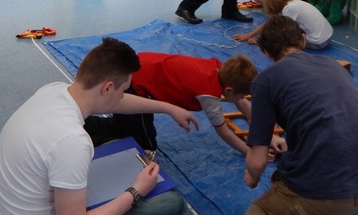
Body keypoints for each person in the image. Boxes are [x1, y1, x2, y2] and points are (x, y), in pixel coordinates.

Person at [0, 37, 201, 215]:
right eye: (122, 90)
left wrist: (169, 108)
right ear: (108, 88)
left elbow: (116, 102)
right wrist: (136, 191)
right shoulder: (73, 141)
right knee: (172, 203)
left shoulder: (55, 90)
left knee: (109, 158)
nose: (123, 95)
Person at [240, 16, 358, 215]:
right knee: (329, 165)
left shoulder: (265, 81)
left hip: (322, 198)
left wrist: (252, 178)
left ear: (266, 52)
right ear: (303, 39)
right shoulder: (334, 66)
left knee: (261, 209)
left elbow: (256, 162)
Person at [84, 52, 258, 156]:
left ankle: (85, 123)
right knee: (147, 148)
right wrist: (248, 151)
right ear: (228, 91)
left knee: (123, 126)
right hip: (134, 84)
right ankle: (87, 136)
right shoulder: (209, 94)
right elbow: (224, 132)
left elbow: (241, 100)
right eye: (241, 95)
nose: (241, 99)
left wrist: (264, 132)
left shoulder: (220, 68)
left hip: (138, 65)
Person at [233, 0, 333, 50]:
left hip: (319, 42)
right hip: (328, 35)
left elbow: (280, 33)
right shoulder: (293, 3)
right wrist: (249, 35)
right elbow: (269, 22)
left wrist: (261, 41)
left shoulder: (288, 9)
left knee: (282, 39)